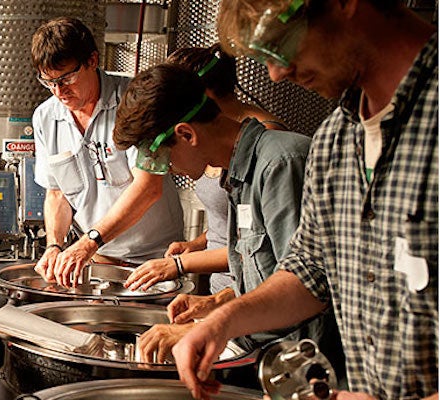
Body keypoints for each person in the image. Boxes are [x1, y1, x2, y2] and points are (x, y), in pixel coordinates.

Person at [172, 0, 437, 399]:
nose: (277, 74)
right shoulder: (335, 141)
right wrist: (223, 319)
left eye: (281, 44)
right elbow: (309, 272)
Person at [110, 65, 344, 379]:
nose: (165, 170)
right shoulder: (236, 176)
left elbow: (304, 288)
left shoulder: (281, 164)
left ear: (186, 134)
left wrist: (212, 328)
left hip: (302, 367)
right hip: (266, 355)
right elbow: (267, 274)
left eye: (161, 159)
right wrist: (215, 302)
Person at [30, 17, 184, 287]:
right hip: (97, 259)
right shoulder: (46, 117)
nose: (59, 91)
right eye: (49, 82)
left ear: (92, 60)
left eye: (67, 78)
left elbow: (148, 188)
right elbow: (57, 193)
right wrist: (54, 245)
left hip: (155, 261)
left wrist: (88, 242)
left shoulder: (137, 101)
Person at [125, 45, 287, 294]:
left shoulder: (272, 156)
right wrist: (197, 245)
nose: (169, 169)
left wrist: (180, 265)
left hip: (255, 296)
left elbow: (269, 251)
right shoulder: (223, 150)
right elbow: (236, 226)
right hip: (230, 290)